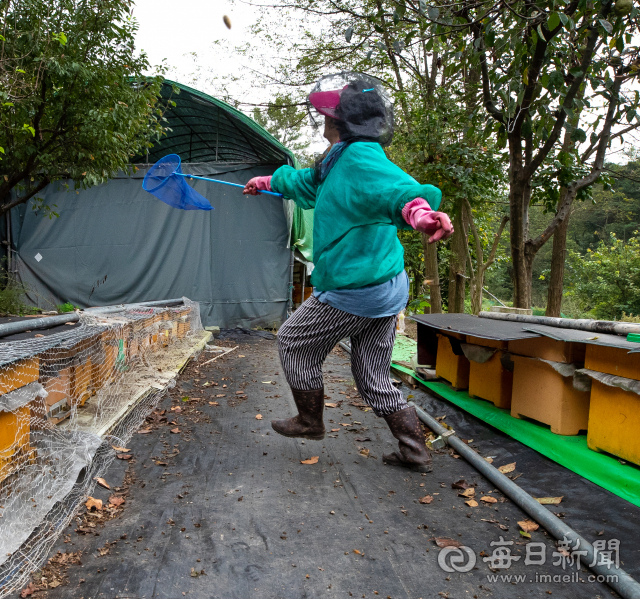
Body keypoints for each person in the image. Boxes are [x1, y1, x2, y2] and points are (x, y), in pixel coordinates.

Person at [243, 73, 453, 472]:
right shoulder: (336, 161)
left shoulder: (361, 159)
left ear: (339, 123)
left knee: (292, 340)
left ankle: (309, 421)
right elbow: (307, 183)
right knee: (372, 376)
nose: (322, 120)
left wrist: (423, 216)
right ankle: (415, 450)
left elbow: (400, 192)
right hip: (385, 287)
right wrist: (267, 182)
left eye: (327, 115)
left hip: (356, 287)